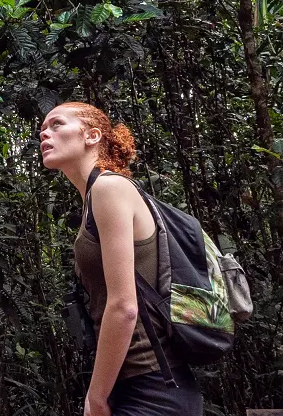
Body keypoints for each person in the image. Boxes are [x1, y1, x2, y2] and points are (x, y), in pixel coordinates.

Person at [40, 102, 203, 416]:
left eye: (57, 124)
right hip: (137, 385)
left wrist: (96, 397)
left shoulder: (108, 188)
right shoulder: (94, 197)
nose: (45, 133)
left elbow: (123, 307)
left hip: (154, 387)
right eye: (43, 130)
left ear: (92, 136)